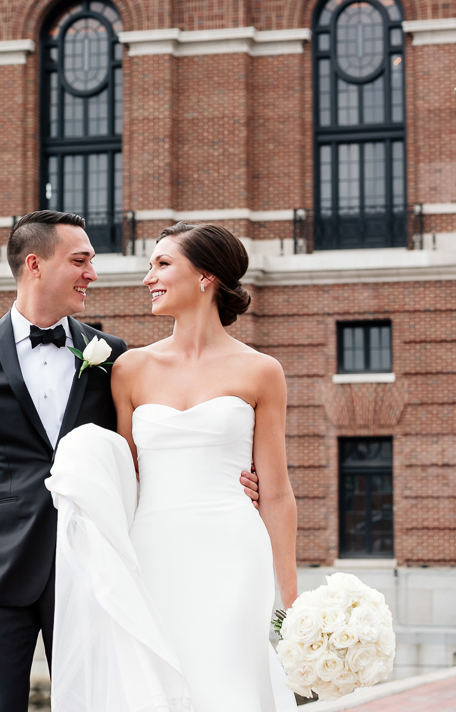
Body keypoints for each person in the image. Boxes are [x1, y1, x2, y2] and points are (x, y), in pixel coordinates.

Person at [0, 212, 262, 712]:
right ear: (35, 264)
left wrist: (236, 483)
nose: (92, 273)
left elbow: (143, 455)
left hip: (90, 572)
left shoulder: (111, 357)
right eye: (80, 261)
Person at [46, 222, 299, 712]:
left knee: (227, 682)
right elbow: (126, 475)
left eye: (162, 264)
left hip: (234, 551)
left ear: (205, 276)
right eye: (150, 265)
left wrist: (290, 604)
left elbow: (277, 492)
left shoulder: (261, 371)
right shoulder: (130, 368)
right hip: (154, 551)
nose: (148, 277)